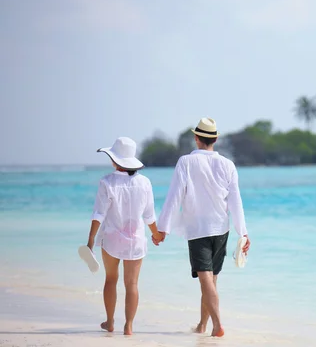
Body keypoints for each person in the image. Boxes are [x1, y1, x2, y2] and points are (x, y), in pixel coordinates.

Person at [153, 117, 250, 338]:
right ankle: (202, 326)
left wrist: (162, 229)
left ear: (197, 139)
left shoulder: (186, 162)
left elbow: (174, 196)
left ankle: (216, 325)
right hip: (221, 229)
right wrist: (243, 232)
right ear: (214, 139)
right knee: (211, 280)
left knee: (206, 279)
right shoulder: (228, 164)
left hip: (198, 230)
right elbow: (236, 202)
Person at [85, 137, 161, 336]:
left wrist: (91, 240)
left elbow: (99, 214)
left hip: (111, 239)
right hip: (136, 240)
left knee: (111, 279)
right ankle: (128, 326)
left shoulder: (107, 182)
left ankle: (110, 322)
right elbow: (149, 216)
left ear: (114, 160)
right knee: (132, 284)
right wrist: (156, 234)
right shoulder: (145, 182)